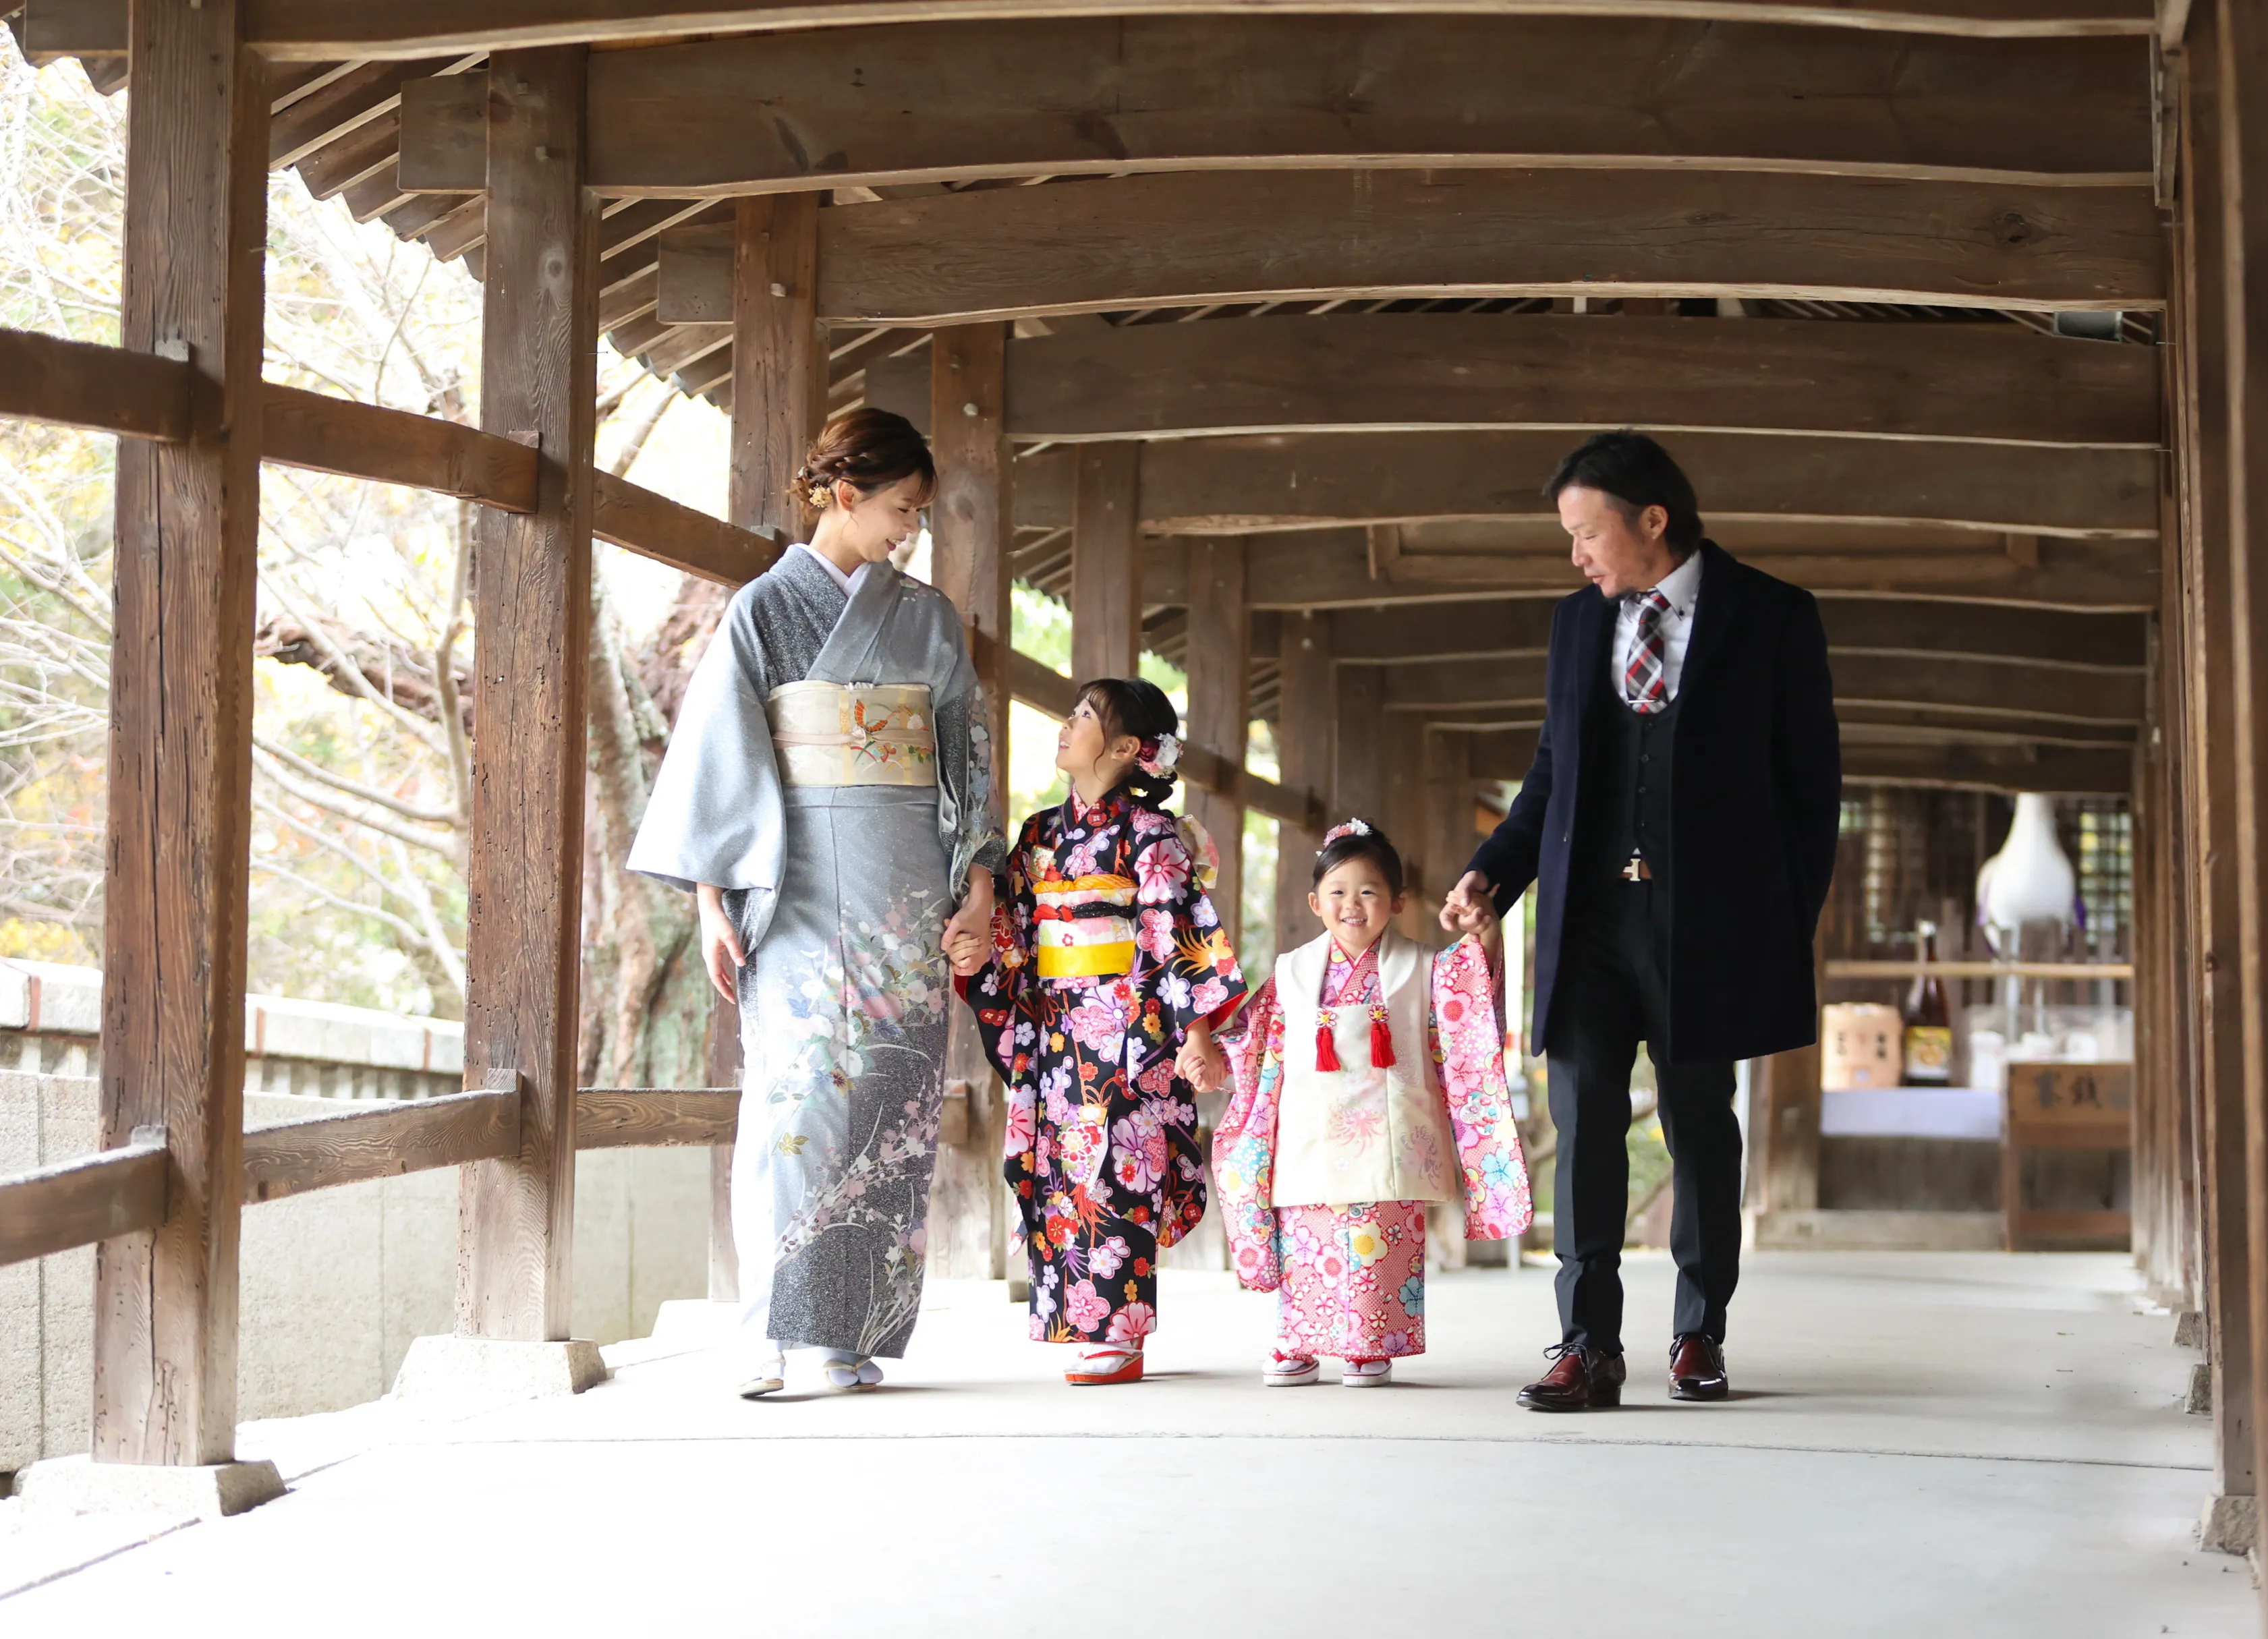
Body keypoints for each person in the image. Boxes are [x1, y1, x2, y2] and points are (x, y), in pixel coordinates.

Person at [1441, 430, 1840, 1411]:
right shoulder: (1577, 625)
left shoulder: (1774, 617)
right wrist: (1492, 872)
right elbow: (1550, 775)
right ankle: (1586, 1340)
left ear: (1650, 519)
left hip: (1707, 923)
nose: (1576, 555)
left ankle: (1698, 1332)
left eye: (1586, 533)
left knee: (1700, 1121)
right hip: (1586, 918)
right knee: (1580, 1120)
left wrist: (1779, 922)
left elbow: (1808, 789)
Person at [627, 407, 1004, 1397]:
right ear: (843, 494)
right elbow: (720, 760)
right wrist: (713, 901)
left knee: (889, 1104)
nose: (909, 533)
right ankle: (767, 1329)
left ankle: (845, 1335)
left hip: (902, 882)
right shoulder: (762, 609)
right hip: (792, 885)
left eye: (917, 516)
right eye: (899, 510)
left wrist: (976, 887)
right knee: (791, 1105)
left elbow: (965, 757)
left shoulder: (926, 618)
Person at [960, 678, 1245, 1385]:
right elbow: (1014, 932)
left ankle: (1119, 1332)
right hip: (1055, 1027)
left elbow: (1174, 933)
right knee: (1061, 1171)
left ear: (1124, 748)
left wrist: (1195, 1033)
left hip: (1129, 1027)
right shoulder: (1038, 835)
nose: (1065, 725)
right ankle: (1080, 1317)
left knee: (1116, 1169)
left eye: (1083, 717)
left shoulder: (1152, 838)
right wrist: (980, 956)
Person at [1215, 820, 1531, 1388]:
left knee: (1375, 1233)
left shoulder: (1423, 966)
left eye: (1368, 891)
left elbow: (1471, 991)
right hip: (1308, 1127)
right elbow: (1256, 1036)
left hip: (1389, 1130)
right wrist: (1212, 1049)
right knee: (1306, 1233)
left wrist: (1482, 936)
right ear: (1315, 902)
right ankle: (1299, 1338)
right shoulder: (1292, 971)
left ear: (1398, 902)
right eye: (1337, 891)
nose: (1352, 904)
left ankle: (1368, 1341)